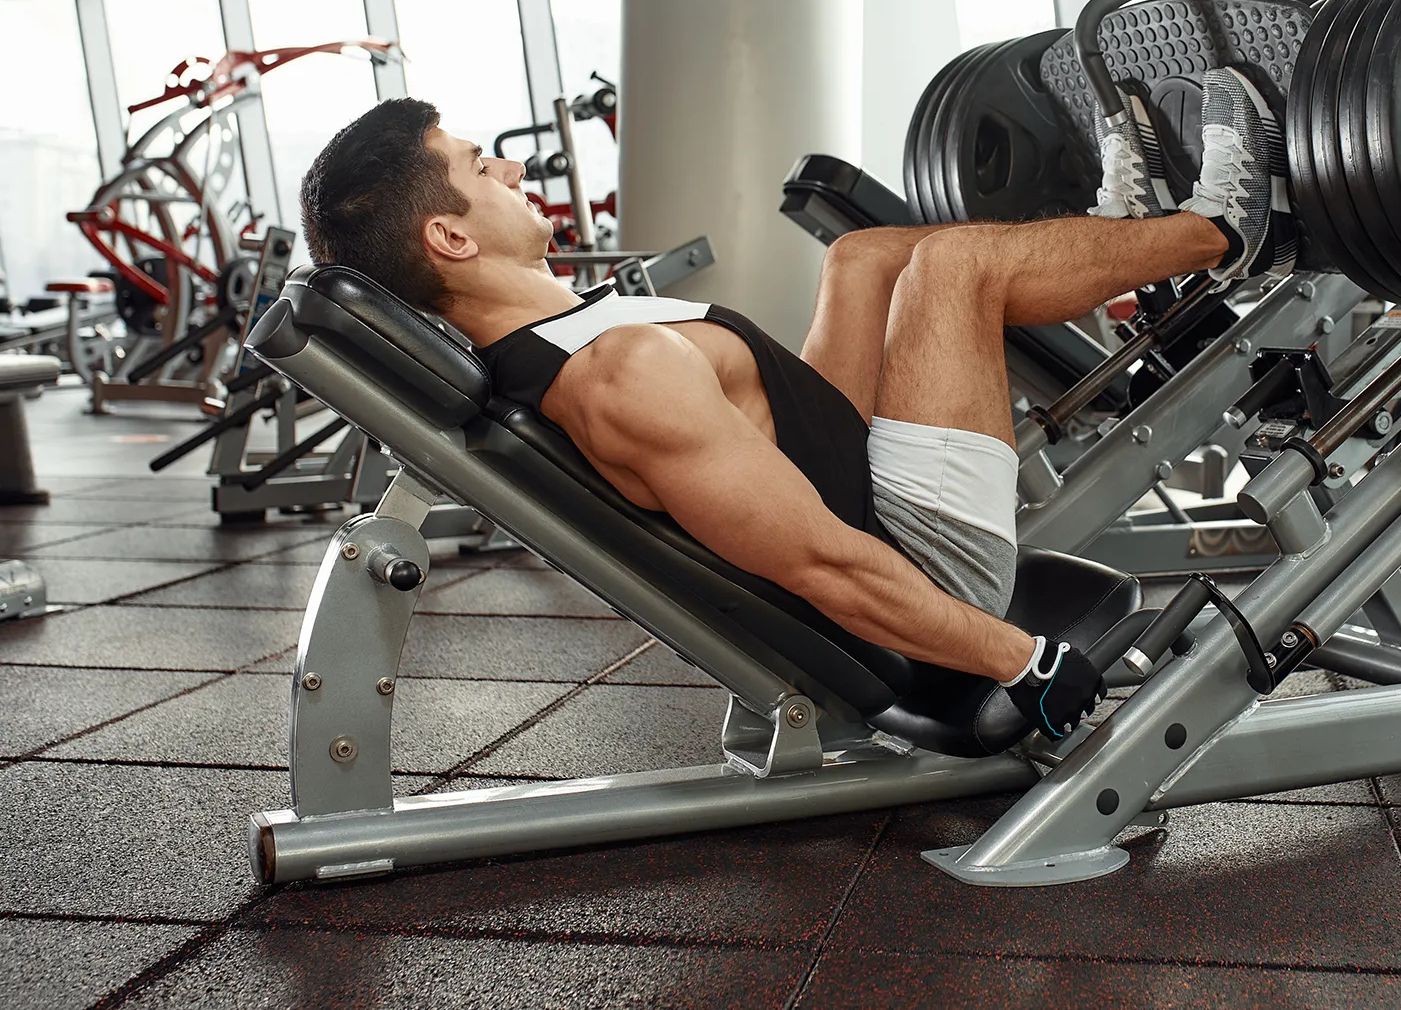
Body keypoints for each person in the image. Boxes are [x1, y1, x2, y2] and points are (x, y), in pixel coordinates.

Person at [296, 67, 1287, 744]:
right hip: (923, 566)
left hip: (859, 481)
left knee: (864, 258)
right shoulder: (615, 376)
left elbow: (786, 423)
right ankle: (1217, 231)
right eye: (480, 168)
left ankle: (1120, 233)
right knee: (953, 268)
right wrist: (1024, 661)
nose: (511, 169)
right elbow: (822, 563)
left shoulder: (568, 335)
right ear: (452, 241)